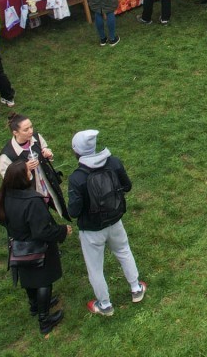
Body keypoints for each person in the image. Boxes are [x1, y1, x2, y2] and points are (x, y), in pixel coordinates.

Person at [67, 129, 146, 318]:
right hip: (115, 221)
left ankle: (105, 305)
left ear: (76, 151)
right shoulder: (113, 162)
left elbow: (74, 212)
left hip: (91, 231)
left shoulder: (77, 178)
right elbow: (127, 186)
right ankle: (136, 289)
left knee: (95, 268)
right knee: (124, 251)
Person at [0, 160, 69, 336]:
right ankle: (45, 320)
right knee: (44, 281)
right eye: (28, 171)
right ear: (22, 179)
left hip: (18, 247)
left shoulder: (3, 195)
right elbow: (43, 231)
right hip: (38, 248)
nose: (31, 173)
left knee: (28, 278)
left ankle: (35, 306)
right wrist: (63, 230)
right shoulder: (33, 201)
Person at [0, 113, 67, 219]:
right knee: (39, 216)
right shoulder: (7, 155)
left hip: (47, 183)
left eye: (31, 127)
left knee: (56, 202)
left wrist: (48, 153)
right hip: (30, 192)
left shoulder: (36, 137)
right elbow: (8, 180)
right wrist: (24, 168)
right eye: (26, 130)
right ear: (15, 132)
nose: (31, 131)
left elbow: (44, 148)